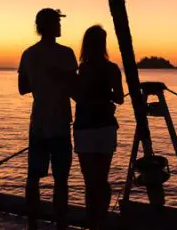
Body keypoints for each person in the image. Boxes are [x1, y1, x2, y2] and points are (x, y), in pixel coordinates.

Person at [18, 8, 78, 230]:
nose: (61, 26)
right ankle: (60, 225)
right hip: (61, 124)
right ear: (51, 26)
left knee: (33, 177)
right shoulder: (66, 53)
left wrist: (39, 81)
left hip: (38, 125)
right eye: (58, 23)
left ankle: (32, 224)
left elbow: (22, 88)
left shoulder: (28, 54)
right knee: (61, 180)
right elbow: (75, 88)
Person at [73, 25, 124, 229]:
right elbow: (119, 98)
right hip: (104, 126)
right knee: (102, 179)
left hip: (85, 126)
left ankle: (92, 221)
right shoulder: (111, 69)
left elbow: (77, 95)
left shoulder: (82, 69)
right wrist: (105, 96)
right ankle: (100, 219)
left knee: (90, 181)